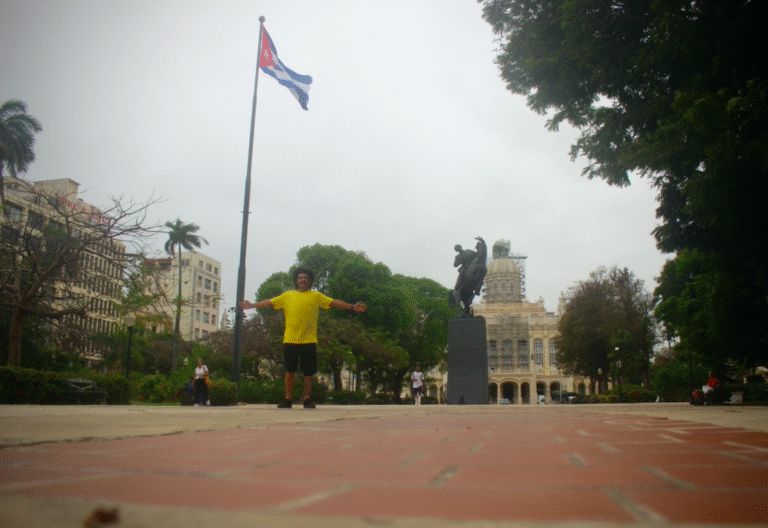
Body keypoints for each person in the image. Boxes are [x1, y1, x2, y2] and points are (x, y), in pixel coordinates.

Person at [240, 266, 367, 409]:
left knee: (309, 372)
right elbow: (270, 302)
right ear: (296, 280)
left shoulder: (316, 296)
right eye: (300, 278)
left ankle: (306, 398)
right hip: (290, 339)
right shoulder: (287, 296)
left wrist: (352, 307)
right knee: (290, 370)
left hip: (309, 340)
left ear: (310, 281)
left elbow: (333, 302)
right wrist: (251, 305)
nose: (303, 280)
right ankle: (288, 399)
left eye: (306, 278)